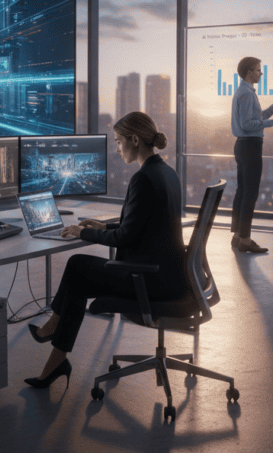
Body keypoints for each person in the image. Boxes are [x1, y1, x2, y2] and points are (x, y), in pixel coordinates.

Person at [25, 111, 186, 388]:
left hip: (149, 280)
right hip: (169, 274)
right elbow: (140, 227)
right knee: (79, 274)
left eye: (118, 141)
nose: (116, 147)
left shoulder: (144, 178)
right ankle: (55, 353)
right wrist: (102, 225)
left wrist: (83, 231)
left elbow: (125, 238)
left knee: (77, 265)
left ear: (135, 140)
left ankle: (54, 334)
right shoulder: (166, 172)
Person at [231, 56, 273, 253]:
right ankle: (246, 240)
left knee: (242, 191)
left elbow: (256, 116)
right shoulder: (247, 94)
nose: (261, 73)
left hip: (243, 146)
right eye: (258, 70)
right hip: (250, 146)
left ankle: (238, 235)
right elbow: (248, 125)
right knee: (250, 193)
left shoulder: (244, 91)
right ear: (249, 72)